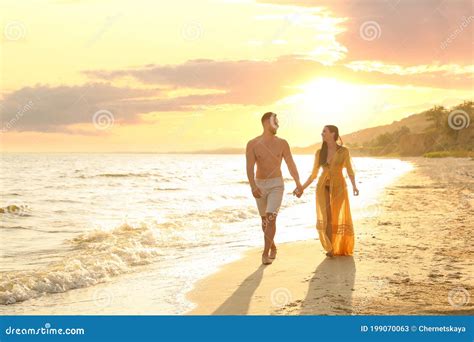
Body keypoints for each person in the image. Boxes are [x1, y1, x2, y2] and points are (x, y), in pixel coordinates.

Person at [246, 112, 303, 265]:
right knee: (264, 220)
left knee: (271, 217)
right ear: (266, 123)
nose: (277, 124)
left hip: (277, 184)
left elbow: (290, 164)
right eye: (274, 122)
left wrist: (298, 183)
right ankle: (273, 246)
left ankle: (265, 254)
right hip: (260, 184)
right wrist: (253, 186)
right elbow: (250, 168)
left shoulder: (282, 143)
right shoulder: (252, 144)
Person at [295, 125, 359, 257]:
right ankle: (330, 248)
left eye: (324, 131)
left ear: (333, 133)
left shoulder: (343, 152)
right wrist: (301, 188)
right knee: (327, 217)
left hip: (339, 187)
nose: (322, 134)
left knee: (335, 216)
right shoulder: (319, 153)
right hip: (322, 187)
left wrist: (354, 186)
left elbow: (349, 170)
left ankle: (337, 245)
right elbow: (313, 175)